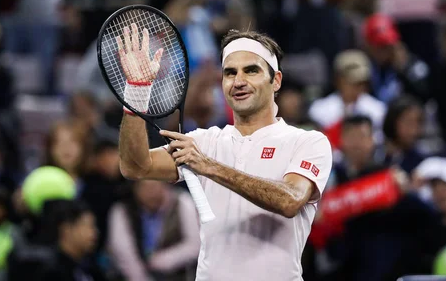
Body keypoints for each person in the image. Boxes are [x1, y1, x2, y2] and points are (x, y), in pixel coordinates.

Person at [117, 26, 333, 280]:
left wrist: (209, 166)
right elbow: (135, 166)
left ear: (276, 81)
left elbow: (290, 201)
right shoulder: (204, 141)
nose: (238, 81)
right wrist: (137, 91)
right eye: (230, 73)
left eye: (251, 70)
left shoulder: (307, 141)